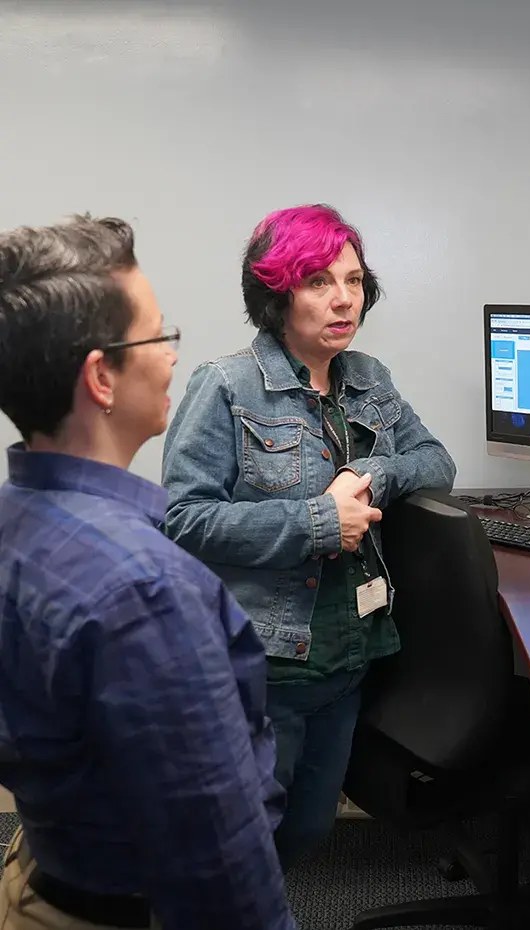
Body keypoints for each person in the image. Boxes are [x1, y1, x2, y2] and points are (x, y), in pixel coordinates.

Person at [0, 217, 294, 929]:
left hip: (45, 861)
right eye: (158, 335)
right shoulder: (145, 590)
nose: (170, 357)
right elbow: (217, 860)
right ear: (102, 376)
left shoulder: (14, 516)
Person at [162, 203, 457, 867]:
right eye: (318, 282)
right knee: (241, 843)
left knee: (308, 830)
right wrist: (321, 520)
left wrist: (371, 474)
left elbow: (435, 461)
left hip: (348, 657)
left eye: (353, 281)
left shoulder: (369, 378)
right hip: (265, 665)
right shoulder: (227, 386)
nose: (343, 299)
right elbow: (184, 520)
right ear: (277, 294)